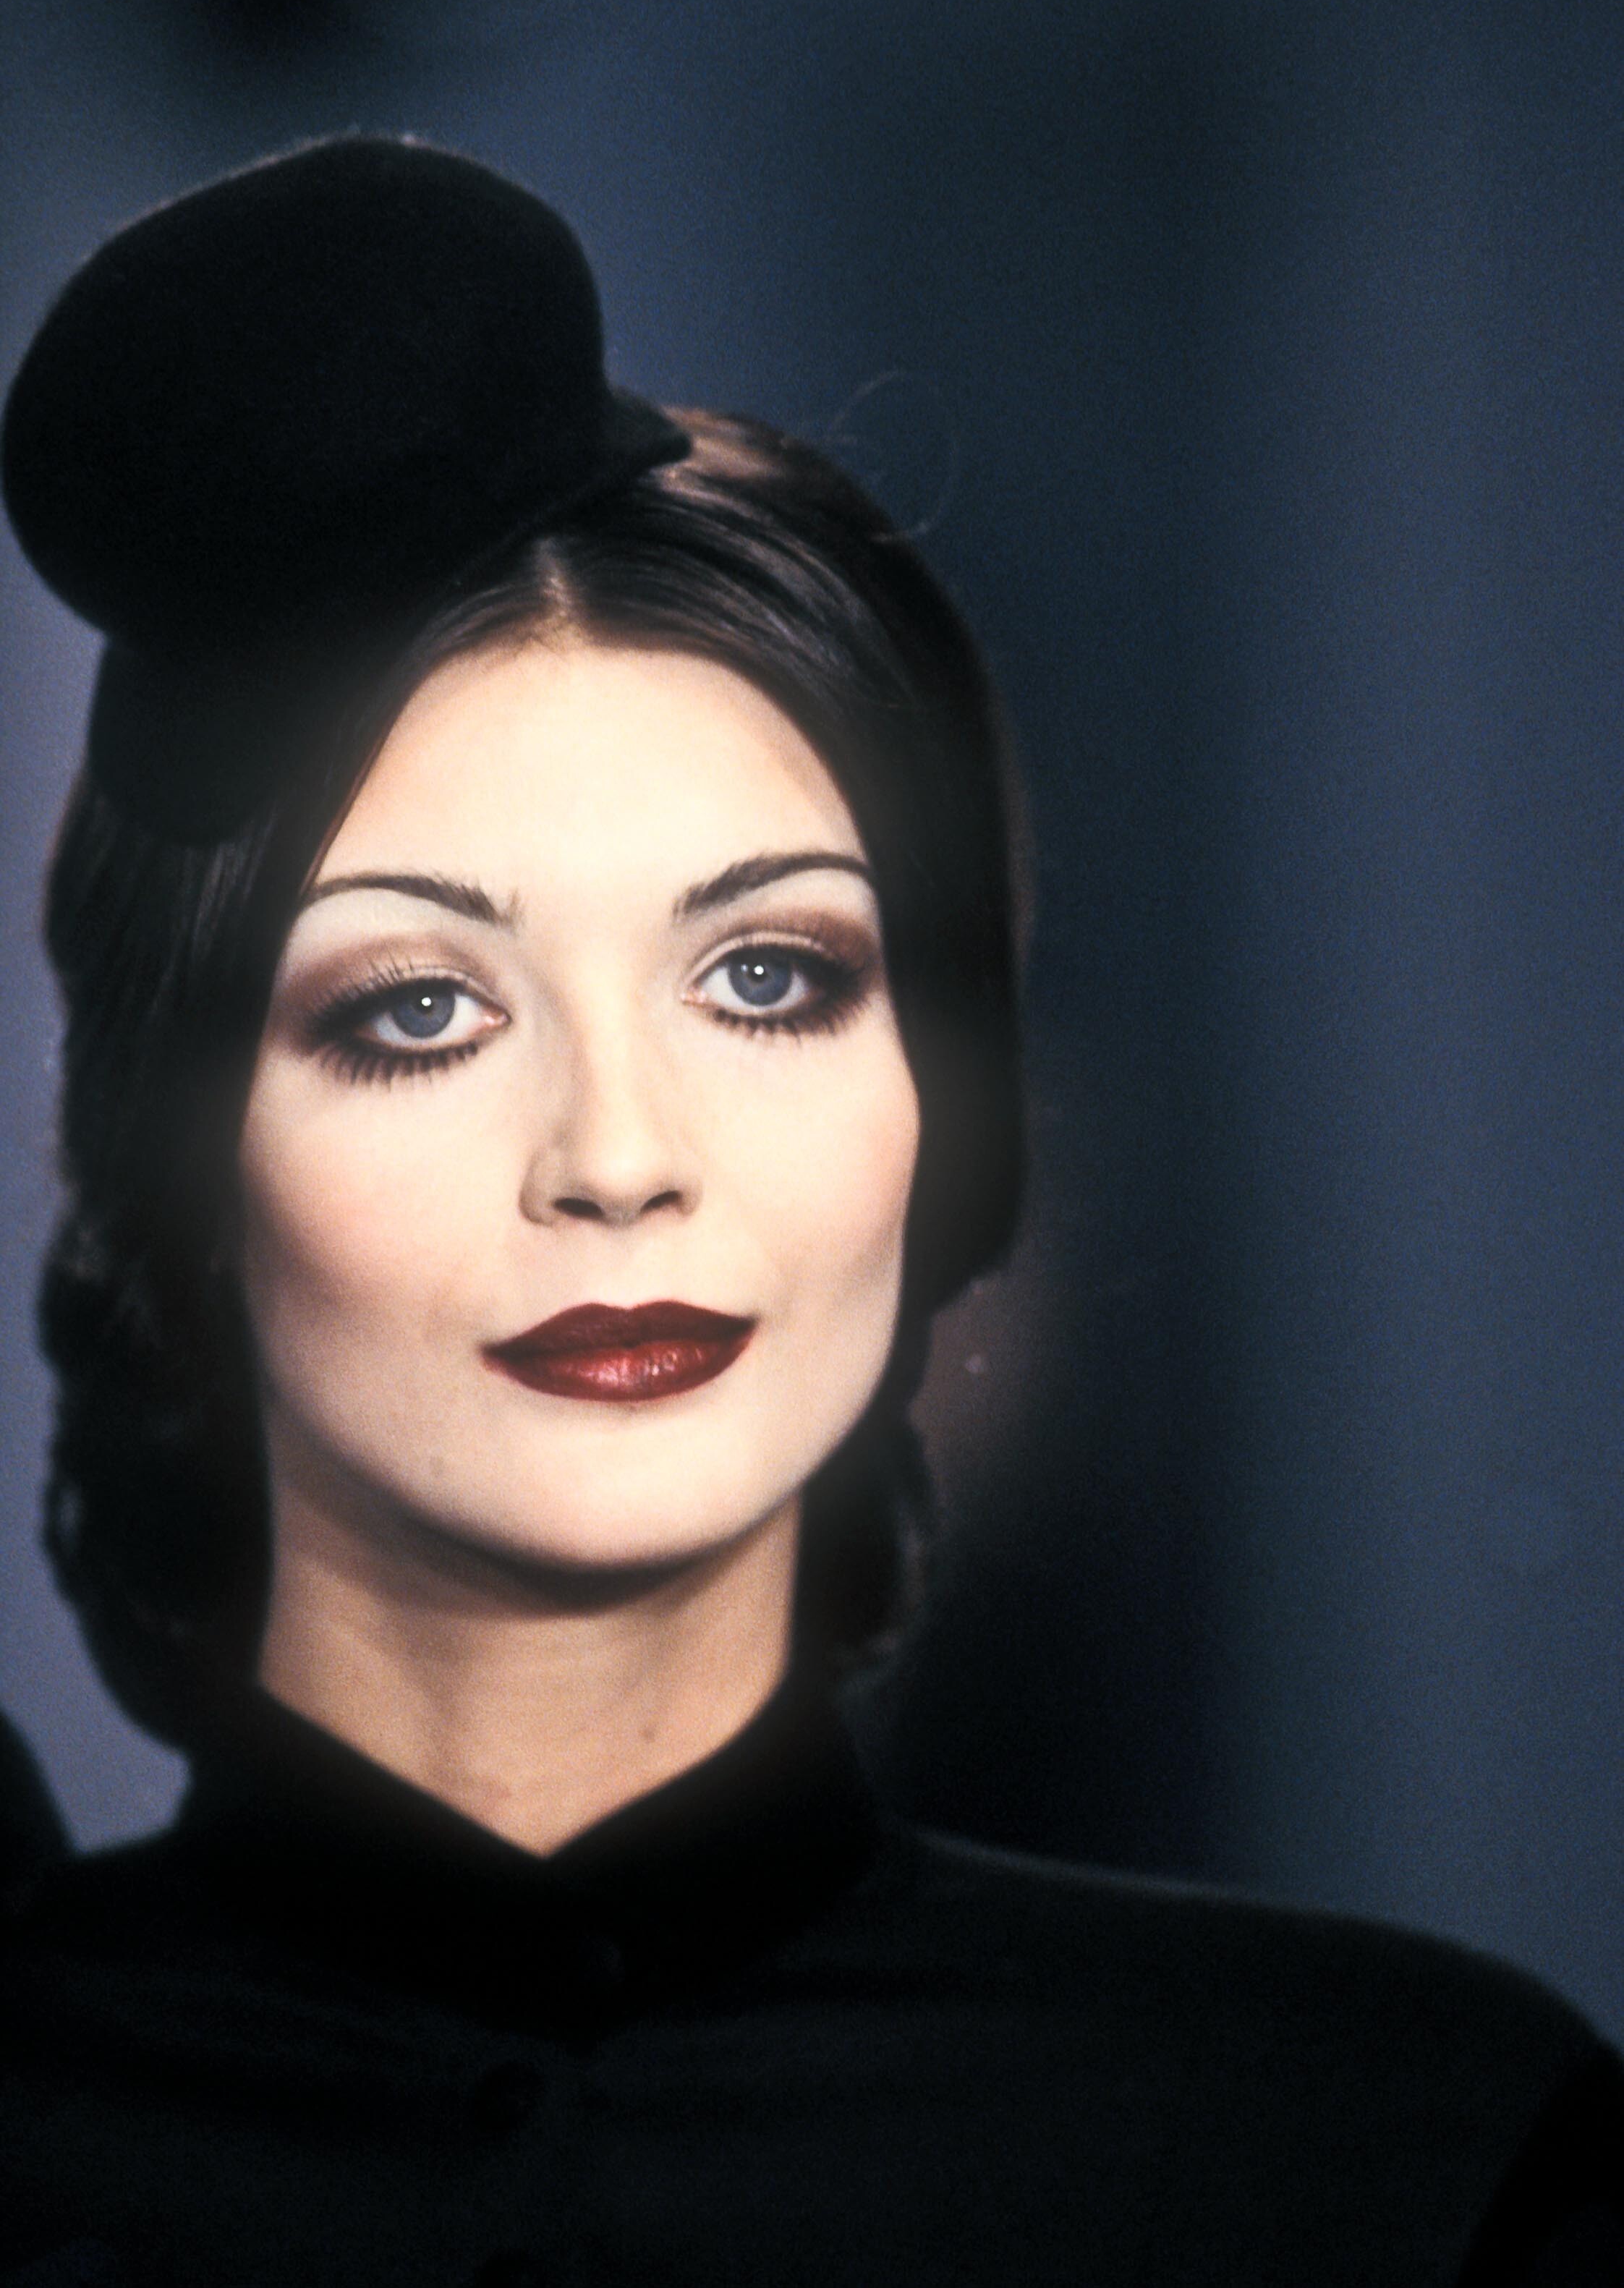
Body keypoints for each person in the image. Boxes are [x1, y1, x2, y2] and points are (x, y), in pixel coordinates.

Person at [0, 137, 1617, 2288]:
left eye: (769, 977)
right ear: (175, 1158)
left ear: (947, 1111)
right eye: (417, 1009)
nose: (619, 1156)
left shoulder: (1402, 2166)